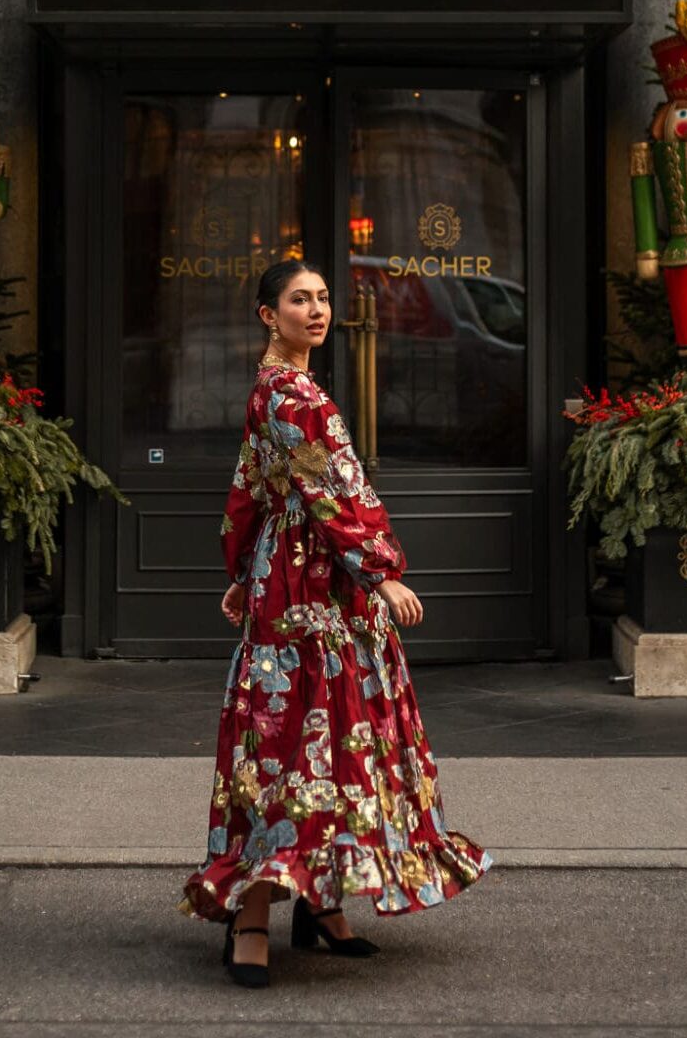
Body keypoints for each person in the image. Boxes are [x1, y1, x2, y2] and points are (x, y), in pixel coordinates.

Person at [180, 260, 490, 987]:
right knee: (292, 739)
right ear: (268, 314)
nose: (315, 311)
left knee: (332, 736)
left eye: (322, 299)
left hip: (312, 578)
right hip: (306, 588)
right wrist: (382, 571)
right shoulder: (286, 392)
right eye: (299, 300)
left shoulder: (295, 388)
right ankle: (251, 915)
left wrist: (242, 567)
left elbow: (253, 485)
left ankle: (319, 901)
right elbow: (325, 493)